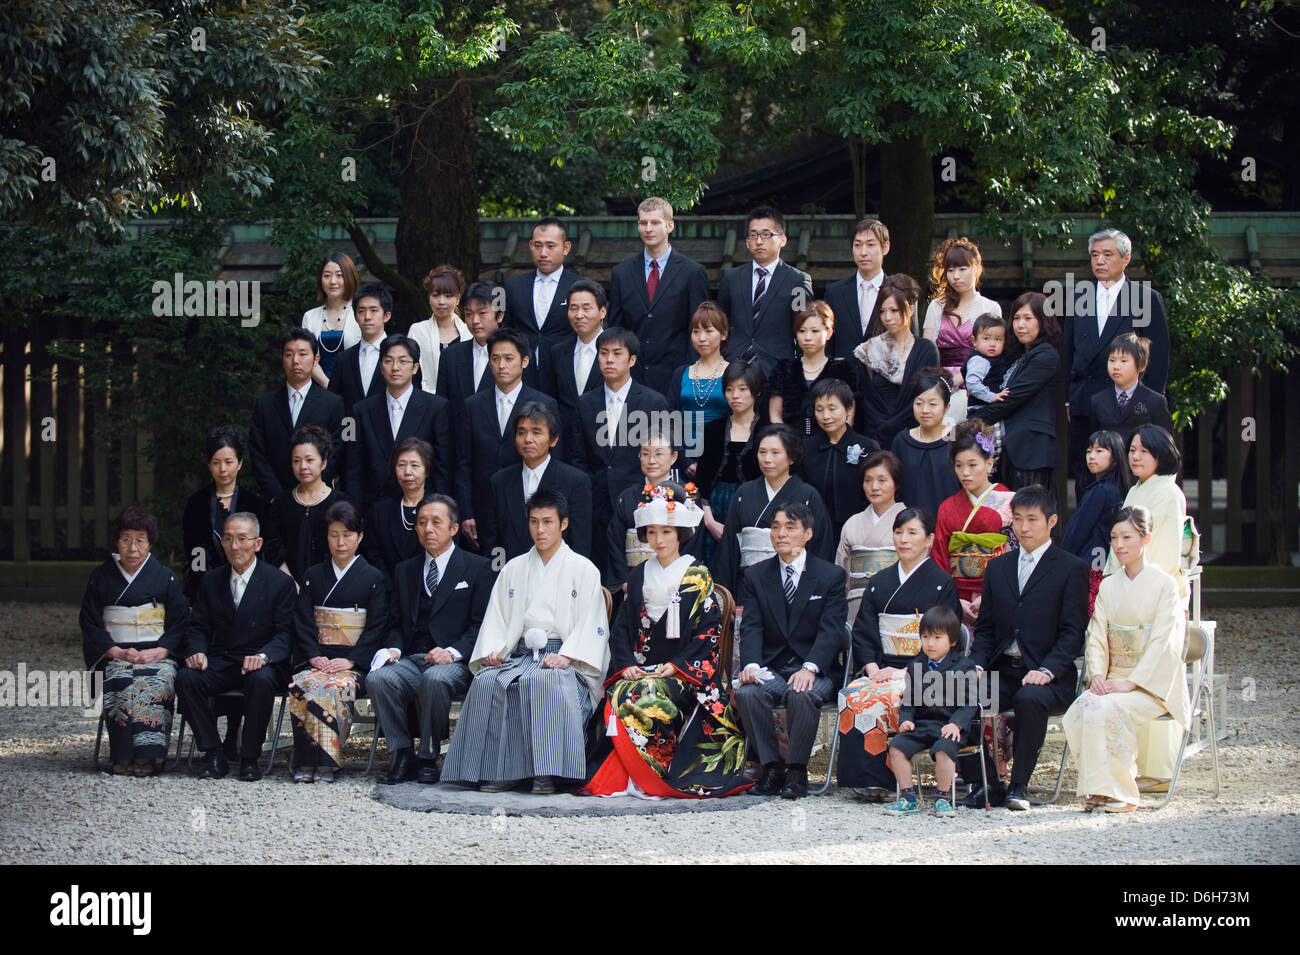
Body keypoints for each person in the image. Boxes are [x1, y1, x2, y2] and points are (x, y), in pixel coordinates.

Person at [583, 483, 751, 798]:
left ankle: (651, 773)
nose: (658, 540)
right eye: (652, 532)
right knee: (624, 689)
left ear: (680, 535)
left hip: (682, 674)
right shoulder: (638, 575)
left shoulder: (697, 575)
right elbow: (621, 629)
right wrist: (626, 666)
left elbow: (709, 631)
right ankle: (625, 776)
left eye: (667, 532)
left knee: (649, 693)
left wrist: (676, 667)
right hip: (642, 668)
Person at [441, 489, 610, 794]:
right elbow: (498, 618)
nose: (540, 529)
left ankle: (546, 772)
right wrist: (494, 651)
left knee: (542, 683)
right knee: (487, 681)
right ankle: (495, 770)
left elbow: (592, 623)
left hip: (563, 654)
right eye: (534, 522)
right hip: (518, 653)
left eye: (548, 522)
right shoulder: (514, 568)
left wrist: (568, 656)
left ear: (564, 524)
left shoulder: (584, 569)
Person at [964, 485, 1088, 810]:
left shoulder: (1071, 568)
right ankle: (986, 782)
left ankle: (1019, 785)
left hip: (1050, 673)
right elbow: (986, 628)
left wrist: (1047, 669)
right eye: (1018, 519)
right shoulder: (999, 567)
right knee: (958, 692)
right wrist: (977, 663)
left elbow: (1073, 633)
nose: (1024, 527)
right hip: (1003, 668)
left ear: (1052, 522)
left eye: (1033, 519)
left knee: (1029, 697)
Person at [1062, 506, 1189, 812]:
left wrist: (1132, 681)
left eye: (1127, 537)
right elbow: (1097, 637)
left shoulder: (1165, 585)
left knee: (1108, 708)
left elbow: (1164, 640)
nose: (1119, 545)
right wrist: (1098, 676)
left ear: (1146, 539)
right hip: (1113, 680)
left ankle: (1120, 792)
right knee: (1087, 704)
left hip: (1151, 683)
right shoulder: (1109, 584)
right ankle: (1098, 789)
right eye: (1114, 537)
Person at [367, 495, 494, 785]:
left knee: (435, 680)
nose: (428, 529)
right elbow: (397, 622)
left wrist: (452, 651)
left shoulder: (477, 568)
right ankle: (401, 754)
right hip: (412, 658)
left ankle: (428, 755)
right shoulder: (404, 570)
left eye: (436, 522)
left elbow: (482, 625)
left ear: (453, 528)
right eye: (422, 522)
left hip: (456, 661)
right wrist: (394, 648)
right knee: (378, 679)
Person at [838, 508, 960, 799]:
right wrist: (871, 668)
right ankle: (866, 779)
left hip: (926, 671)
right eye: (898, 532)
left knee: (892, 695)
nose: (903, 539)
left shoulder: (942, 583)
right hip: (882, 668)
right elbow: (864, 630)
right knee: (854, 694)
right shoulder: (880, 581)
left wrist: (906, 672)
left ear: (929, 539)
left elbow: (946, 637)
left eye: (912, 533)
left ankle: (893, 779)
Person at [734, 501, 847, 798]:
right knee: (747, 692)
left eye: (790, 527)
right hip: (773, 666)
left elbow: (831, 630)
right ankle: (771, 768)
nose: (781, 533)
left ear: (807, 533)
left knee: (803, 693)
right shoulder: (757, 575)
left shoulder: (829, 575)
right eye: (776, 526)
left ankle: (796, 770)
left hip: (813, 667)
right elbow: (752, 627)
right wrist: (751, 665)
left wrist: (810, 667)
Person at [177, 511, 297, 782]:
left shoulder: (279, 583)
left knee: (262, 680)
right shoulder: (210, 580)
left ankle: (250, 757)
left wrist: (264, 656)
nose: (234, 546)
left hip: (261, 660)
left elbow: (286, 633)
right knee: (186, 678)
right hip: (222, 658)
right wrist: (197, 651)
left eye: (242, 539)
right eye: (228, 539)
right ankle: (214, 751)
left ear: (258, 543)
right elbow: (198, 626)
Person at [80, 507, 189, 775]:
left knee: (158, 679)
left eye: (140, 539)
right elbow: (90, 622)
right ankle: (122, 755)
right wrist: (114, 650)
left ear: (149, 543)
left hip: (156, 654)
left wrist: (162, 650)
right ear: (117, 542)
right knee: (119, 678)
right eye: (126, 539)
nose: (132, 547)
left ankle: (150, 757)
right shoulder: (100, 576)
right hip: (114, 654)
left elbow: (181, 621)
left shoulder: (165, 576)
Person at [288, 501, 388, 782]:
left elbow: (377, 625)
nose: (341, 542)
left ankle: (328, 760)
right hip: (318, 658)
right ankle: (306, 761)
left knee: (334, 688)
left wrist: (353, 659)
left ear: (360, 537)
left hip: (351, 665)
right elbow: (303, 620)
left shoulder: (373, 578)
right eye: (334, 535)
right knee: (303, 684)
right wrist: (312, 655)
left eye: (347, 535)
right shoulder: (312, 576)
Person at [1064, 228, 1171, 491]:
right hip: (1085, 401)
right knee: (1087, 477)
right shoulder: (1078, 296)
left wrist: (1150, 403)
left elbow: (1158, 357)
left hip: (1131, 406)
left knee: (1131, 479)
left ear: (1126, 258)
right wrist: (1069, 397)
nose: (1099, 260)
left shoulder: (1146, 298)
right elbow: (1068, 351)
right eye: (1094, 255)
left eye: (1107, 254)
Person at [570, 327, 670, 576]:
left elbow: (661, 455)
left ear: (632, 360)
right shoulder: (585, 403)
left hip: (640, 500)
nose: (609, 360)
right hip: (595, 502)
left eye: (617, 353)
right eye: (603, 353)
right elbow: (577, 458)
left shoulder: (653, 402)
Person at [455, 327, 559, 550]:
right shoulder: (472, 405)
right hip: (483, 508)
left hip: (532, 505)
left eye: (509, 358)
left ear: (525, 361)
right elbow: (463, 462)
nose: (501, 365)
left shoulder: (544, 404)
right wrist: (466, 512)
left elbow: (554, 462)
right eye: (495, 358)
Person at [711, 424, 833, 596]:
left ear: (792, 457)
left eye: (776, 453)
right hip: (748, 587)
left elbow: (820, 548)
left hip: (793, 586)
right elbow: (729, 549)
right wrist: (725, 595)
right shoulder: (743, 493)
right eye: (762, 452)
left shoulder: (808, 496)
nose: (767, 459)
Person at [607, 196, 710, 395]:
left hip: (677, 375)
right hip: (632, 376)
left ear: (670, 225)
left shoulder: (692, 272)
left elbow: (699, 328)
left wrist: (692, 374)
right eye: (643, 223)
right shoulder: (622, 272)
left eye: (655, 222)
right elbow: (616, 329)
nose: (648, 228)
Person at [882, 605, 978, 816]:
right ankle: (908, 797)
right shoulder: (917, 665)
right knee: (896, 747)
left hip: (950, 725)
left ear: (952, 641)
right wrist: (905, 720)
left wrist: (956, 723)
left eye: (937, 638)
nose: (930, 643)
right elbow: (908, 702)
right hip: (923, 724)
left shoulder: (964, 666)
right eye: (925, 637)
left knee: (944, 749)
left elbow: (969, 703)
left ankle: (943, 797)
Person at [346, 333, 453, 506]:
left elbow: (443, 466)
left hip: (422, 508)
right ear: (381, 367)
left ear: (415, 367)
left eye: (403, 361)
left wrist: (438, 507)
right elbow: (354, 468)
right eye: (388, 361)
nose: (395, 367)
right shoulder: (361, 411)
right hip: (374, 507)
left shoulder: (437, 408)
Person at [481, 400, 593, 561]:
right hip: (511, 576)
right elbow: (491, 542)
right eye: (521, 433)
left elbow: (580, 544)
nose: (528, 439)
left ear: (553, 440)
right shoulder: (499, 482)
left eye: (536, 432)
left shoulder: (576, 481)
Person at [977, 291, 1062, 492]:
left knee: (1030, 515)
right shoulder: (1022, 355)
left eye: (1027, 318)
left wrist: (974, 420)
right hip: (1014, 448)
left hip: (1031, 450)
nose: (1020, 325)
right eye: (1016, 318)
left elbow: (1011, 398)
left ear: (1042, 321)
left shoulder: (1046, 355)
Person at [932, 419, 1014, 625]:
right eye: (959, 466)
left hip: (998, 593)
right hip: (956, 596)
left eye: (972, 465)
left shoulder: (1009, 501)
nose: (965, 472)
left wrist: (990, 595)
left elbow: (1014, 556)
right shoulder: (947, 507)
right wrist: (954, 600)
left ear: (989, 463)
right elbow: (940, 557)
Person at [248, 327, 344, 501]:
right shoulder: (264, 404)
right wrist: (277, 496)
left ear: (316, 359)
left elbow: (337, 450)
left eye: (302, 354)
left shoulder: (333, 403)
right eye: (289, 354)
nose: (295, 361)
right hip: (274, 500)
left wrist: (314, 489)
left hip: (318, 499)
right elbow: (258, 454)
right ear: (282, 359)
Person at [716, 205, 813, 374]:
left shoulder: (797, 280)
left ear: (782, 240)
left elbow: (803, 325)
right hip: (734, 367)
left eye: (766, 234)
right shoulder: (731, 278)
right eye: (753, 235)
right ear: (747, 242)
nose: (759, 241)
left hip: (779, 369)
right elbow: (720, 323)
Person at [605, 432, 703, 593]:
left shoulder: (687, 495)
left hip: (674, 582)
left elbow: (693, 542)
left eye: (659, 453)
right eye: (645, 453)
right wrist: (625, 581)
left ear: (673, 457)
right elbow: (615, 541)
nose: (651, 460)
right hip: (632, 581)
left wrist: (677, 577)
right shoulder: (627, 496)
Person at [1103, 424, 1188, 603]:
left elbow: (1162, 554)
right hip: (1126, 581)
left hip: (1154, 593)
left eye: (1144, 451)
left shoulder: (1168, 493)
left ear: (1162, 454)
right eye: (1132, 450)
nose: (1135, 457)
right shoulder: (1135, 489)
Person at [854, 274, 941, 447]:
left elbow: (926, 396)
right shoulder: (870, 349)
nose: (887, 317)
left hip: (915, 435)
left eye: (894, 310)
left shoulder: (926, 350)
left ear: (910, 309)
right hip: (876, 436)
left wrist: (893, 426)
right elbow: (867, 399)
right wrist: (883, 428)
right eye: (882, 311)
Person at [181, 425, 266, 602]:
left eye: (228, 462)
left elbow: (262, 549)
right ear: (209, 465)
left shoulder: (255, 503)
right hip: (207, 584)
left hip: (249, 582)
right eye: (216, 462)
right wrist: (204, 580)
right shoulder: (197, 503)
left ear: (239, 463)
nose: (223, 469)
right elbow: (194, 548)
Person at [923, 237, 1002, 420]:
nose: (956, 276)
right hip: (941, 387)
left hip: (978, 385)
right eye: (950, 270)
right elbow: (927, 352)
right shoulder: (936, 306)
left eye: (962, 269)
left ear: (977, 269)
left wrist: (963, 377)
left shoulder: (990, 308)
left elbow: (993, 353)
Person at [695, 360, 765, 555]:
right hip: (715, 510)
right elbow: (702, 481)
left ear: (756, 391)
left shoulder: (767, 431)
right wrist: (709, 522)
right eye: (729, 389)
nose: (735, 396)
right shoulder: (712, 428)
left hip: (756, 511)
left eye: (743, 389)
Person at [503, 216, 582, 386]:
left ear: (566, 247)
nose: (543, 253)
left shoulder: (581, 287)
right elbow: (505, 330)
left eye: (550, 246)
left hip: (565, 372)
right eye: (538, 246)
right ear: (531, 245)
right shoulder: (512, 286)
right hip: (521, 375)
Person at [263, 425, 346, 585]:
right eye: (296, 461)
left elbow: (343, 548)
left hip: (329, 586)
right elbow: (273, 546)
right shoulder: (281, 502)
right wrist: (290, 583)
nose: (303, 467)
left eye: (309, 460)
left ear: (323, 463)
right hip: (286, 587)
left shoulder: (340, 503)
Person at [768, 300, 861, 438]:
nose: (808, 337)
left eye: (815, 331)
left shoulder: (842, 369)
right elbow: (775, 415)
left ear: (828, 333)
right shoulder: (784, 368)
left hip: (831, 446)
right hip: (790, 447)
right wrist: (786, 443)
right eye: (802, 331)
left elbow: (848, 415)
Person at [1061, 429, 1130, 613]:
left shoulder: (1099, 491)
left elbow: (1077, 532)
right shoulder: (1121, 489)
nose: (1092, 456)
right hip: (1108, 562)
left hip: (1092, 564)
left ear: (1114, 456)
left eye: (1099, 451)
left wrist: (1061, 559)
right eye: (1089, 451)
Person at [800, 377, 878, 538]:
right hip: (815, 531)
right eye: (819, 409)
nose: (825, 416)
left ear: (849, 408)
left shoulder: (867, 446)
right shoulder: (807, 447)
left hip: (858, 530)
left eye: (832, 408)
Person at [835, 449, 907, 624]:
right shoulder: (852, 523)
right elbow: (841, 572)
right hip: (856, 604)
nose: (874, 487)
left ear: (896, 483)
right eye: (868, 480)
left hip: (897, 604)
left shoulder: (909, 521)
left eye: (882, 480)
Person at [542, 278, 606, 460]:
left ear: (602, 311)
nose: (579, 315)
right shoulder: (557, 352)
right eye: (573, 308)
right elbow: (549, 398)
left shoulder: (618, 350)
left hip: (605, 440)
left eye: (586, 308)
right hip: (565, 444)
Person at [667, 301, 731, 476]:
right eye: (696, 331)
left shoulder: (734, 373)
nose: (702, 338)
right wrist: (685, 461)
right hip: (683, 462)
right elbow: (671, 419)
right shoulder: (681, 373)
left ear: (723, 334)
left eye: (709, 331)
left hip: (723, 461)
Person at [362, 437, 434, 587]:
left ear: (426, 470)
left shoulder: (438, 509)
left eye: (415, 465)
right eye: (401, 465)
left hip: (429, 589)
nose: (408, 472)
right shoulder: (380, 511)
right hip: (389, 592)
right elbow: (374, 556)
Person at [891, 370, 960, 519]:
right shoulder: (902, 441)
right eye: (919, 403)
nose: (925, 410)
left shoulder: (956, 439)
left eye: (933, 404)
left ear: (946, 407)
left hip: (951, 526)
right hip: (911, 528)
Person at [1088, 332, 1175, 449]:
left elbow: (1165, 446)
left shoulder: (1156, 402)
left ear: (1142, 365)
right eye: (1112, 360)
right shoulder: (1097, 401)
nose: (1116, 366)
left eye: (1123, 361)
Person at [824, 218, 890, 361]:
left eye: (871, 245)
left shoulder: (900, 292)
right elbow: (827, 345)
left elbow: (910, 344)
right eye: (858, 245)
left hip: (887, 379)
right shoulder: (834, 293)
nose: (863, 252)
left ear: (885, 247)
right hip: (842, 378)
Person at [328, 281, 393, 419]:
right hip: (351, 433)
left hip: (390, 435)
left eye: (374, 310)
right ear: (355, 316)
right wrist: (347, 438)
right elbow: (335, 406)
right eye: (361, 311)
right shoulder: (343, 359)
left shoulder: (402, 356)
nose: (367, 316)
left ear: (386, 316)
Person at [436, 281, 502, 417]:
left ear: (500, 315)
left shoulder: (517, 355)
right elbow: (442, 409)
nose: (475, 320)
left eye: (482, 313)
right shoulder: (450, 356)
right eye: (469, 314)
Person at [301, 252, 361, 388]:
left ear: (349, 277)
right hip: (318, 391)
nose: (333, 281)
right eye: (327, 275)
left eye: (339, 275)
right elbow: (306, 355)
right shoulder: (310, 317)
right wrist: (327, 384)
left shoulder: (361, 314)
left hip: (355, 389)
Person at [409, 264, 471, 395]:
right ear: (429, 298)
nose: (441, 301)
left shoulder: (469, 332)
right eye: (436, 295)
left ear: (458, 298)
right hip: (427, 402)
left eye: (448, 296)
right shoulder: (417, 331)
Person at [963, 313, 1012, 420]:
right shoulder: (979, 360)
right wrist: (991, 396)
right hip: (980, 410)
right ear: (974, 341)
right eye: (986, 338)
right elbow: (972, 383)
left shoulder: (1001, 357)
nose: (992, 344)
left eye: (998, 339)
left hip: (991, 409)